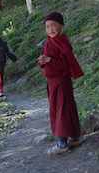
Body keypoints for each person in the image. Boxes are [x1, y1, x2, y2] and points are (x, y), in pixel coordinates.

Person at [38, 12, 84, 155]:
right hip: (52, 82)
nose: (50, 29)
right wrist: (43, 61)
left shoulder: (63, 43)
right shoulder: (48, 43)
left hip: (61, 81)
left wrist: (50, 61)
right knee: (64, 108)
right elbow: (47, 61)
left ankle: (62, 143)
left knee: (62, 110)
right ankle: (74, 138)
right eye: (47, 26)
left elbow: (66, 65)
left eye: (54, 25)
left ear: (62, 26)